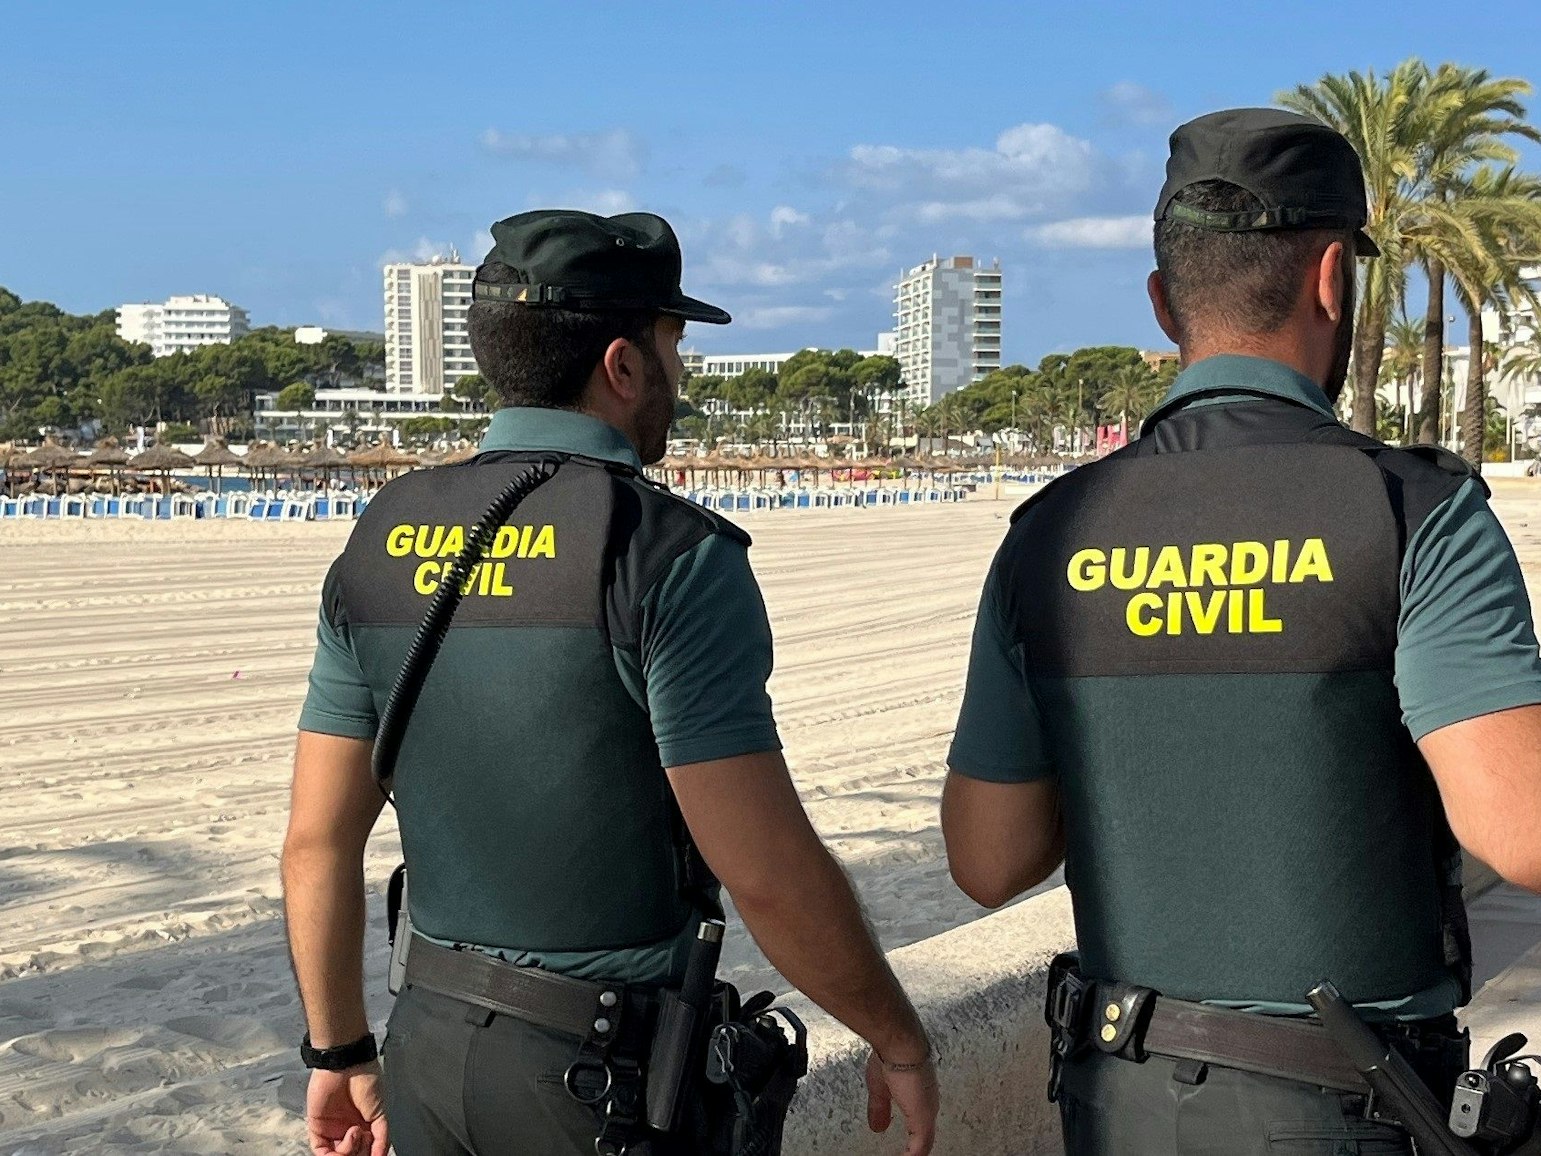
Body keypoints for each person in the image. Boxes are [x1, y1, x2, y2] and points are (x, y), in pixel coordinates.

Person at [941, 108, 1541, 1155]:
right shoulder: (1410, 512)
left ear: (1163, 302)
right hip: (1346, 1108)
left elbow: (988, 861)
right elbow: (1519, 830)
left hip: (1114, 1101)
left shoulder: (1046, 535)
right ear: (1329, 280)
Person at [281, 208, 938, 1156]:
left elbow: (315, 843)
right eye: (675, 345)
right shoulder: (665, 551)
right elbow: (764, 870)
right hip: (598, 1080)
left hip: (427, 1047)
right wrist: (897, 1037)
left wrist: (337, 1049)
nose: (681, 373)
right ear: (623, 365)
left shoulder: (383, 536)